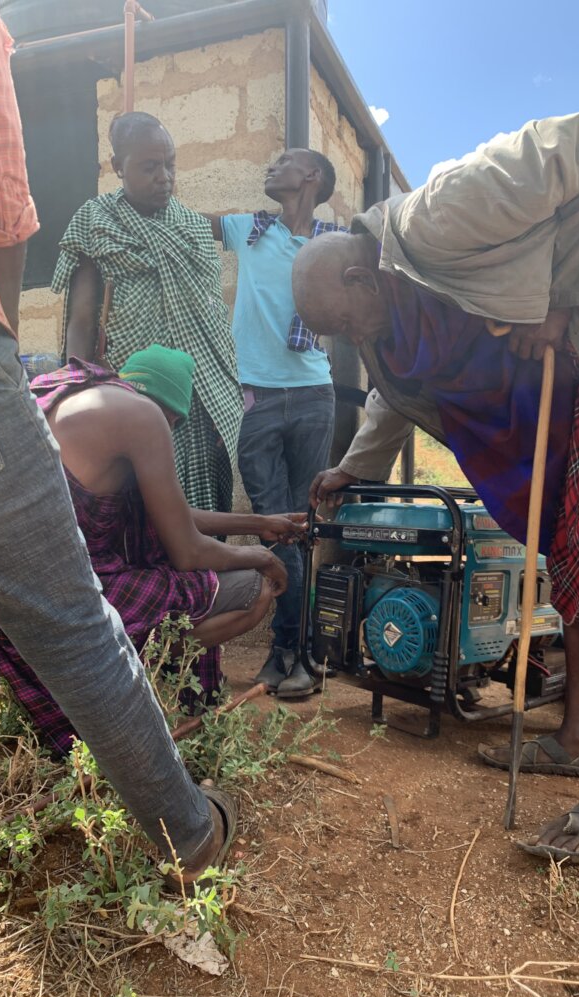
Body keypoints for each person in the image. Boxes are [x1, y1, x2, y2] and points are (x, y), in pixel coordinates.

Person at [293, 110, 579, 864]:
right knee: (573, 572)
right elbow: (395, 396)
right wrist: (355, 471)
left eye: (346, 321)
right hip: (569, 405)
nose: (354, 341)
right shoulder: (390, 322)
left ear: (358, 274)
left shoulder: (439, 217)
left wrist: (562, 293)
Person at [0, 0, 232, 883]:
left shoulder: (104, 399)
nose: (162, 176)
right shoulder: (131, 413)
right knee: (73, 622)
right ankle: (188, 831)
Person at [0, 345, 301, 754]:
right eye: (175, 422)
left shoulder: (65, 397)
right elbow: (187, 551)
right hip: (60, 605)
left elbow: (171, 513)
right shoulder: (143, 417)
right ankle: (130, 683)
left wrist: (260, 525)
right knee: (252, 590)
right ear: (170, 413)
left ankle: (133, 677)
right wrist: (263, 557)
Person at [53, 112, 243, 515]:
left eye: (170, 164)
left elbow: (212, 315)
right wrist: (76, 385)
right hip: (129, 386)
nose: (164, 177)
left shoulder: (192, 226)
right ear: (118, 167)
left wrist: (224, 387)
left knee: (200, 493)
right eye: (149, 166)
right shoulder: (95, 220)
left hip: (198, 390)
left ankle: (200, 575)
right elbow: (82, 318)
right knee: (132, 499)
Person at [204, 149, 343, 697]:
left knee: (303, 527)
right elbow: (182, 222)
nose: (269, 166)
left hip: (313, 394)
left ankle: (296, 652)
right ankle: (290, 649)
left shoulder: (333, 245)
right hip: (256, 398)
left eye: (284, 161)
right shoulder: (250, 231)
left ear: (311, 177)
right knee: (273, 524)